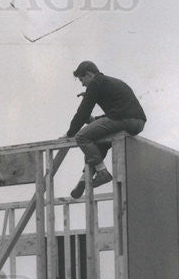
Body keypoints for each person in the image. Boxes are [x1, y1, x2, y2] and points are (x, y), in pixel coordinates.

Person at [61, 61, 146, 199]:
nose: (83, 84)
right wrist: (94, 120)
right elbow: (118, 109)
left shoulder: (95, 83)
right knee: (99, 141)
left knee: (82, 136)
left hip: (125, 119)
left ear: (89, 74)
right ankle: (84, 178)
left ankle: (102, 172)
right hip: (136, 121)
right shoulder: (107, 82)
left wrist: (69, 133)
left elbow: (82, 112)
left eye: (82, 80)